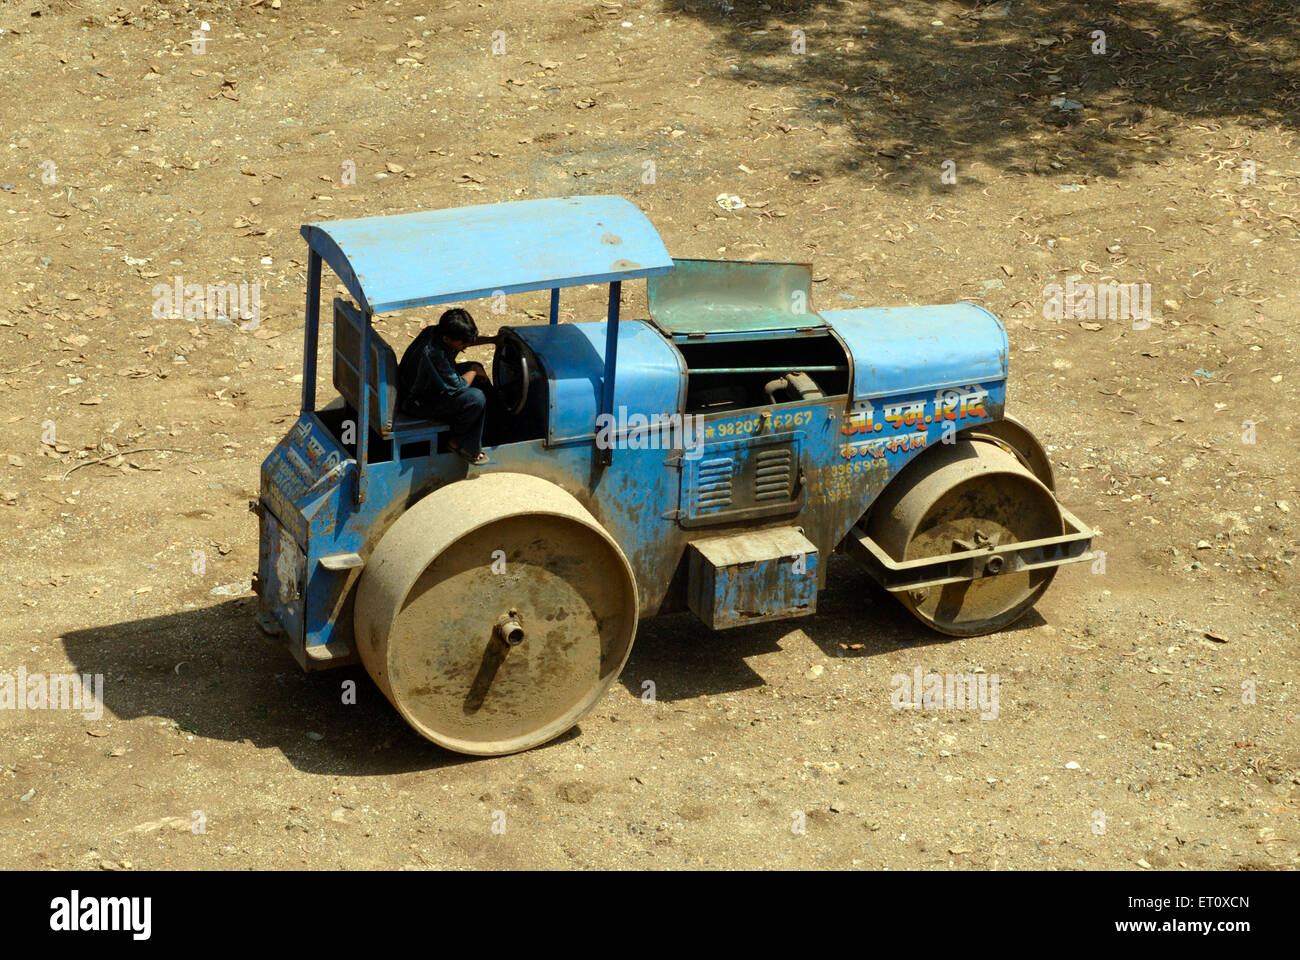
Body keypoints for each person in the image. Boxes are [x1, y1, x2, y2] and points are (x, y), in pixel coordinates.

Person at [397, 308, 500, 464]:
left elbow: (465, 340)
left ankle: (492, 430)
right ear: (447, 339)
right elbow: (458, 387)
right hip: (417, 402)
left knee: (477, 376)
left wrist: (493, 339)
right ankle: (459, 443)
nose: (465, 346)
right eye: (463, 343)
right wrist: (474, 369)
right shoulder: (433, 353)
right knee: (475, 397)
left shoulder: (436, 332)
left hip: (430, 386)